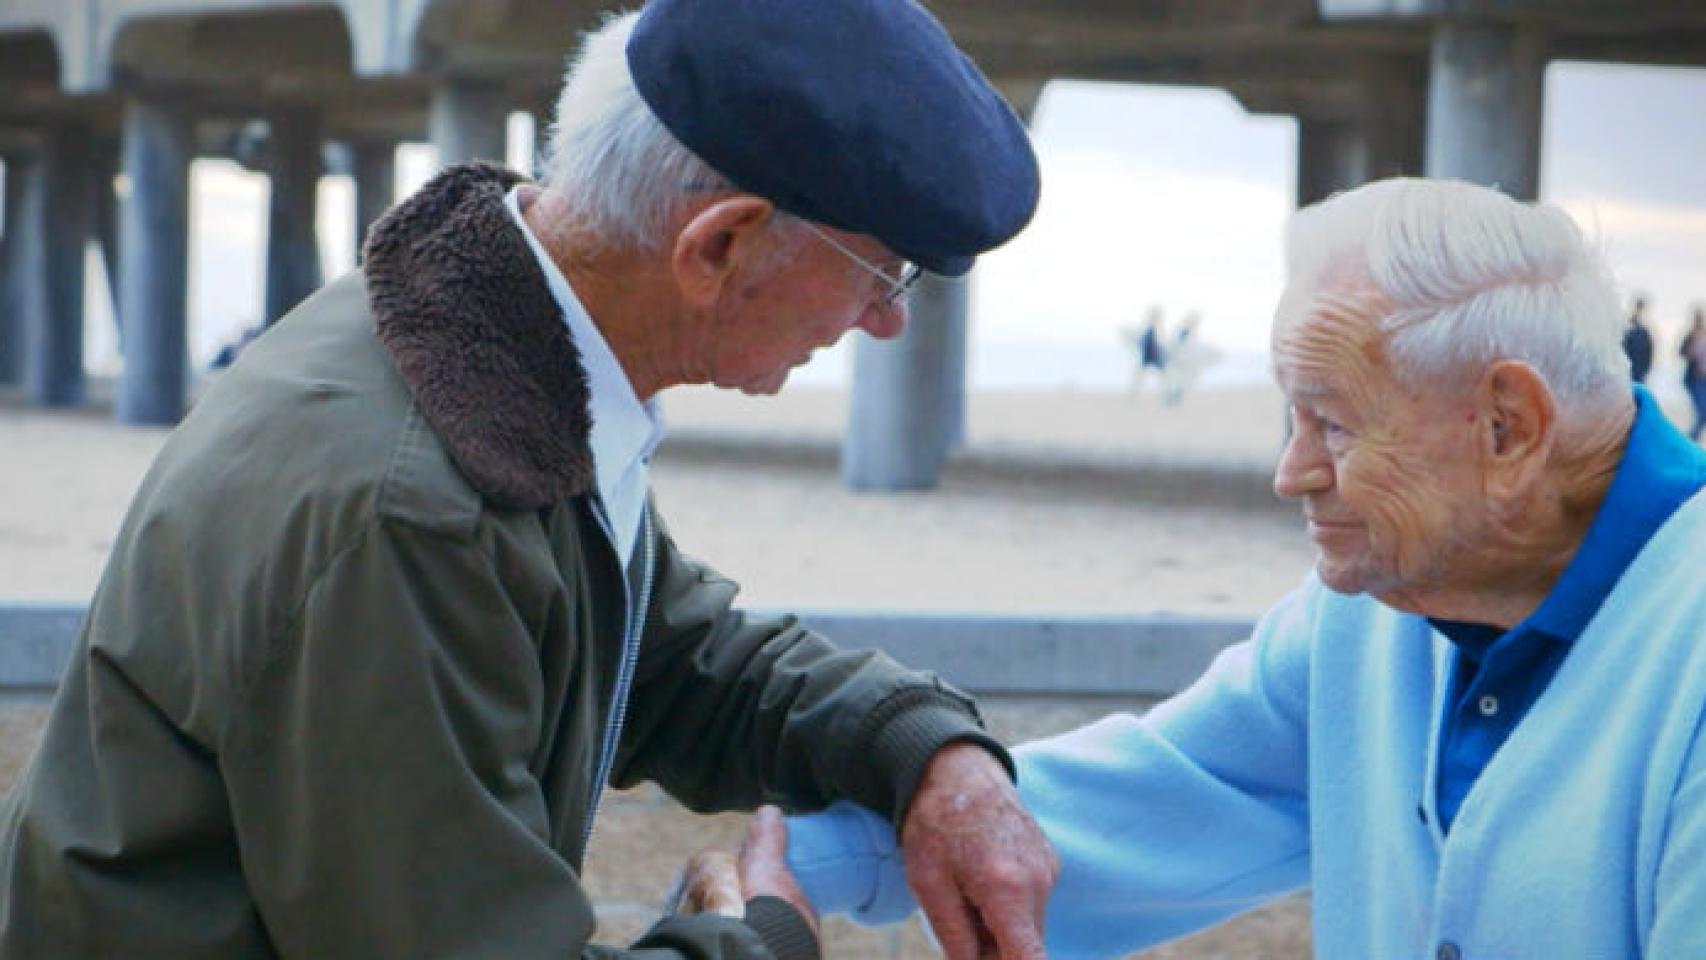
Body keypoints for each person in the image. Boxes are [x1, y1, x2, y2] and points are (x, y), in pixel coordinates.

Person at [0, 2, 1058, 958]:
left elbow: (672, 659)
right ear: (718, 243)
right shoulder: (410, 512)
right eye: (883, 273)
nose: (886, 321)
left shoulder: (492, 358)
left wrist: (924, 750)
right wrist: (764, 936)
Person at [699, 178, 1706, 959]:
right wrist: (806, 861)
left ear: (1506, 425)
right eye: (1287, 416)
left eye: (1333, 423)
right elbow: (1155, 796)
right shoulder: (1369, 611)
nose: (1288, 473)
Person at [1680, 304, 1706, 441]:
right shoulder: (1690, 336)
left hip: (1703, 378)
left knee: (1703, 413)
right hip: (1695, 379)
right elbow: (1681, 352)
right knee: (1702, 413)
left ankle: (1692, 440)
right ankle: (1691, 440)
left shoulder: (1704, 334)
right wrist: (1691, 353)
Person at [1624, 294, 1655, 382]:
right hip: (1631, 369)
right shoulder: (1631, 328)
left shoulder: (1644, 331)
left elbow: (1649, 351)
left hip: (1638, 370)